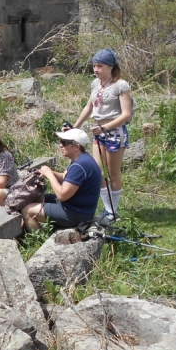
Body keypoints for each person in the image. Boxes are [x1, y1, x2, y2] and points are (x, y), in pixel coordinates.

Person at [69, 48, 132, 223]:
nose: (96, 70)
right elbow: (89, 107)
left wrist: (105, 127)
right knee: (98, 171)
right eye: (94, 66)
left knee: (113, 173)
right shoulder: (95, 84)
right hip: (98, 131)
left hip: (114, 131)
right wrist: (75, 127)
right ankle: (107, 209)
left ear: (110, 67)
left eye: (100, 66)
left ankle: (113, 211)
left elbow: (126, 114)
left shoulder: (120, 85)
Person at [21, 129, 102, 231]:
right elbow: (66, 178)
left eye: (64, 142)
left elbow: (62, 195)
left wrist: (49, 174)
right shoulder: (82, 159)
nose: (60, 145)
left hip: (76, 214)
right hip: (77, 207)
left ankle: (38, 241)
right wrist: (46, 172)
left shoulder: (80, 166)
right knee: (36, 198)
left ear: (77, 146)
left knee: (27, 210)